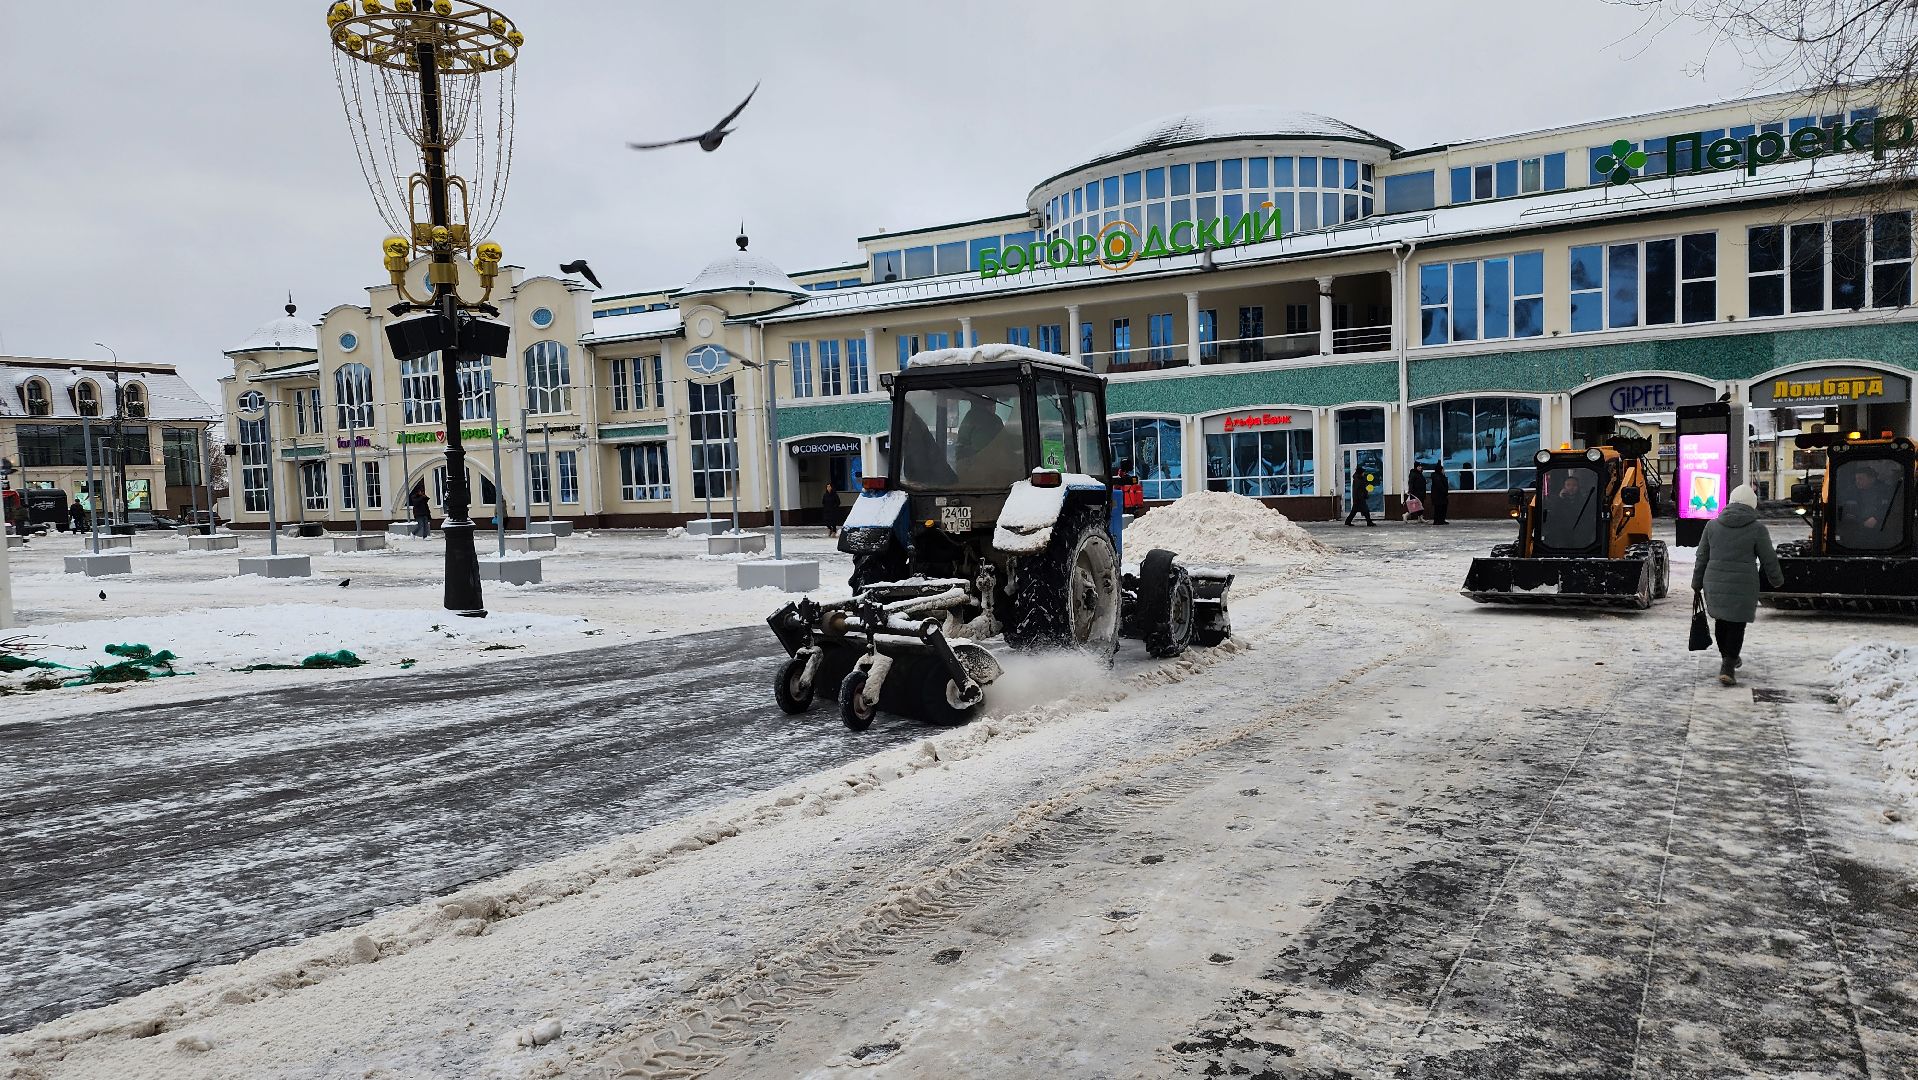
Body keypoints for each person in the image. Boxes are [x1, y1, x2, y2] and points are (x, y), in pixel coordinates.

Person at [1692, 484, 1785, 687]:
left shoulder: (1712, 526)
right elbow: (1769, 558)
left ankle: (1728, 657)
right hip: (1744, 584)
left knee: (1721, 621)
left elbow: (1702, 557)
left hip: (1714, 582)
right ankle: (1728, 664)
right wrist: (1777, 580)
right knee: (1737, 624)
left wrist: (1696, 582)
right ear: (1752, 505)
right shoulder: (1757, 528)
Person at [1345, 462, 1376, 526]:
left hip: (1358, 498)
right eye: (1363, 472)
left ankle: (1348, 521)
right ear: (1360, 473)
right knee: (1366, 510)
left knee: (1354, 511)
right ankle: (1369, 522)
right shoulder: (1358, 480)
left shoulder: (1358, 479)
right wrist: (1362, 496)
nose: (1364, 473)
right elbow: (1359, 490)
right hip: (1359, 498)